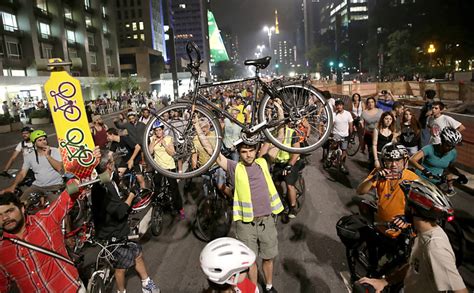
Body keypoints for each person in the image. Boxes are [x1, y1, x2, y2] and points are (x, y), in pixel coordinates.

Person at [194, 118, 283, 293]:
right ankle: (254, 289)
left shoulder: (263, 162)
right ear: (239, 152)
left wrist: (281, 116)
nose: (248, 154)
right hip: (245, 223)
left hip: (267, 221)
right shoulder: (234, 167)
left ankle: (270, 285)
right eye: (244, 151)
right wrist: (197, 126)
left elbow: (277, 140)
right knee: (249, 262)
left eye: (251, 150)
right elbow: (212, 151)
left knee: (268, 257)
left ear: (256, 150)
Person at [358, 180, 468, 293]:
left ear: (413, 209)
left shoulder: (435, 247)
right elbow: (414, 266)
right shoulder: (423, 233)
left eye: (406, 203)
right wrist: (385, 281)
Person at [90, 150, 160, 293]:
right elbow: (121, 212)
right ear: (109, 165)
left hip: (121, 228)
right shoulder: (102, 188)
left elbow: (106, 169)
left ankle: (146, 283)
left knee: (138, 254)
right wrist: (132, 195)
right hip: (112, 234)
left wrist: (96, 160)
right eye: (113, 160)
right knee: (121, 268)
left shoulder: (108, 177)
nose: (116, 162)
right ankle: (121, 291)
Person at [0, 191, 87, 292]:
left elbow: (67, 197)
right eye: (0, 215)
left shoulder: (44, 220)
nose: (5, 218)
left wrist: (77, 181)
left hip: (71, 289)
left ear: (22, 208)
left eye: (9, 211)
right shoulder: (2, 251)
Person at [1, 130, 63, 204]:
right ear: (34, 143)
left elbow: (59, 167)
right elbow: (22, 173)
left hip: (54, 186)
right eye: (40, 140)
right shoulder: (29, 156)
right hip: (37, 185)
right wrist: (13, 186)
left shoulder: (55, 151)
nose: (43, 142)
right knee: (21, 203)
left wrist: (47, 155)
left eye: (44, 139)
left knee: (58, 208)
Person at [409, 127, 467, 196]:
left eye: (453, 146)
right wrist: (424, 170)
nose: (450, 148)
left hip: (435, 183)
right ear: (442, 141)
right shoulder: (429, 148)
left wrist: (460, 175)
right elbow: (412, 159)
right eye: (448, 145)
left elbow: (450, 167)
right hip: (420, 179)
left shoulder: (453, 153)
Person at [148, 120, 184, 218]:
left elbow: (172, 153)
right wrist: (153, 142)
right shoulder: (152, 139)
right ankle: (157, 208)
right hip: (158, 167)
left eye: (160, 130)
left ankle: (180, 208)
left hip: (169, 166)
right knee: (157, 188)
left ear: (163, 130)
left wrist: (164, 145)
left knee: (174, 189)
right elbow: (150, 151)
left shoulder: (169, 139)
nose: (158, 132)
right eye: (156, 131)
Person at [328, 99, 353, 174]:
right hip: (336, 133)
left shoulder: (348, 114)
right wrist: (329, 134)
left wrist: (350, 135)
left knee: (344, 150)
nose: (338, 107)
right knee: (334, 145)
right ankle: (330, 157)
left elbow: (350, 124)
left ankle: (341, 164)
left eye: (340, 105)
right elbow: (331, 125)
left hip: (345, 135)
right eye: (337, 105)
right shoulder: (334, 114)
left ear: (343, 106)